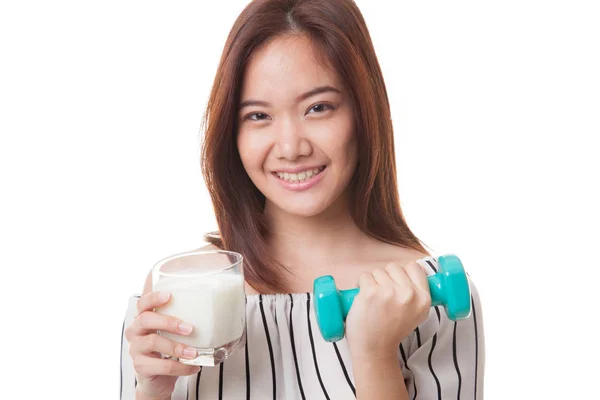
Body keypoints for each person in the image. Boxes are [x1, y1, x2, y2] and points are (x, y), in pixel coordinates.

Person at [121, 0, 485, 399]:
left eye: (319, 108)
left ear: (364, 114)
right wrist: (152, 391)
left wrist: (374, 356)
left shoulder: (427, 294)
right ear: (233, 135)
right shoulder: (179, 292)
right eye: (259, 116)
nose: (291, 148)